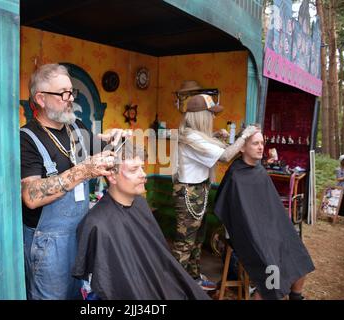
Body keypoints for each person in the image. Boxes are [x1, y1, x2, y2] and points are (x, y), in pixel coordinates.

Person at [20, 63, 129, 300]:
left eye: (71, 92)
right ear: (40, 98)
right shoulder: (26, 139)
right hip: (48, 245)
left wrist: (116, 141)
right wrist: (83, 171)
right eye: (63, 93)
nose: (70, 98)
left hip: (79, 235)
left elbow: (101, 152)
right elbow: (30, 196)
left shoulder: (76, 128)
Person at [72, 140, 210, 300]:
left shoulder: (140, 204)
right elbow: (110, 284)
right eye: (134, 169)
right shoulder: (98, 223)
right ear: (112, 176)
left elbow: (159, 260)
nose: (143, 174)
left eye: (142, 168)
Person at [171, 80, 259, 290]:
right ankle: (173, 287)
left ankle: (192, 280)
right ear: (201, 116)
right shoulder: (191, 137)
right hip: (188, 192)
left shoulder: (196, 136)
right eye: (210, 114)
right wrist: (244, 135)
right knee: (184, 244)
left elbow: (206, 148)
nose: (212, 117)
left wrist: (213, 137)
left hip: (197, 190)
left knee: (197, 240)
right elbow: (226, 155)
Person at [214, 131, 315, 300]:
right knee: (271, 266)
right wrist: (260, 233)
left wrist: (276, 229)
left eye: (262, 143)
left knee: (299, 254)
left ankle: (296, 296)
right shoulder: (236, 176)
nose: (261, 147)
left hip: (268, 230)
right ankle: (267, 293)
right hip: (247, 234)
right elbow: (234, 216)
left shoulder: (260, 171)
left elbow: (270, 209)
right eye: (255, 143)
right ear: (242, 148)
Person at [336, 154, 344, 225]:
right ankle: (334, 215)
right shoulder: (339, 169)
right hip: (342, 185)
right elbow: (338, 178)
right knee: (343, 202)